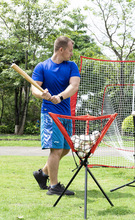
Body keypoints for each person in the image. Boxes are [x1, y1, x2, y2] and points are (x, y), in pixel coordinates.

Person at [31, 36, 80, 196]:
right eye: (70, 50)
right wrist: (42, 94)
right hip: (50, 115)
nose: (71, 54)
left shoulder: (72, 66)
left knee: (66, 149)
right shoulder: (42, 67)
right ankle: (53, 186)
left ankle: (42, 173)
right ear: (61, 49)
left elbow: (74, 86)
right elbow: (35, 89)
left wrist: (59, 97)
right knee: (56, 149)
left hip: (66, 114)